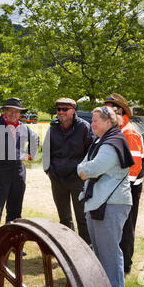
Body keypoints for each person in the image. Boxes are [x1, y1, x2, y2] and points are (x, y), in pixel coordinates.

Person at [77, 106, 134, 287]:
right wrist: (83, 169)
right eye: (92, 120)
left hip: (111, 204)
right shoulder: (101, 141)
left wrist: (83, 169)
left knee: (109, 254)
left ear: (108, 122)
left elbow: (90, 169)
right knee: (100, 253)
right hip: (100, 203)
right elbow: (83, 166)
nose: (91, 124)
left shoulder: (111, 143)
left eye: (95, 121)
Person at [0, 97, 40, 242]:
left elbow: (35, 139)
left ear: (20, 113)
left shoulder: (23, 127)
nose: (13, 114)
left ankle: (12, 245)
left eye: (16, 112)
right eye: (10, 111)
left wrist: (30, 155)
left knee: (15, 213)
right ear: (4, 111)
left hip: (18, 173)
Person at [103, 93, 144, 275]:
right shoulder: (116, 130)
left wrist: (119, 189)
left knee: (126, 225)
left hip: (129, 187)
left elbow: (134, 168)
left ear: (118, 110)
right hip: (118, 185)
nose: (105, 112)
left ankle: (125, 264)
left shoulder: (129, 132)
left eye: (108, 108)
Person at [42, 98, 93, 244]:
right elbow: (46, 151)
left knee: (82, 216)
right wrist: (48, 171)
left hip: (78, 178)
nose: (61, 112)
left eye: (65, 109)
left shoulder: (84, 127)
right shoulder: (53, 127)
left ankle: (86, 247)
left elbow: (91, 151)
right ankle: (69, 246)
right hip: (57, 178)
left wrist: (85, 171)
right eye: (58, 109)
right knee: (64, 217)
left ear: (73, 110)